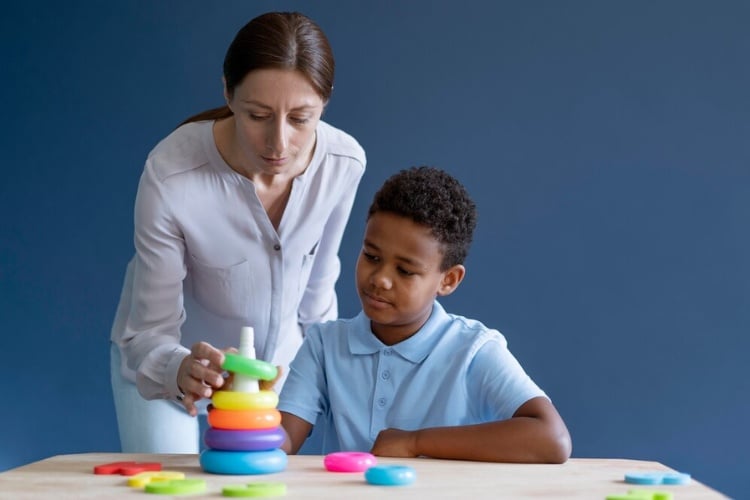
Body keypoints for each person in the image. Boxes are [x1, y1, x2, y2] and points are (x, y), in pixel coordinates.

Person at [110, 11, 366, 453]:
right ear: (228, 92)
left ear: (325, 103)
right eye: (258, 114)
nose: (278, 143)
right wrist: (182, 369)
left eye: (302, 118)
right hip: (174, 369)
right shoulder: (171, 175)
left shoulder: (343, 164)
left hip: (277, 376)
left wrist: (320, 382)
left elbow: (318, 299)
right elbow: (146, 334)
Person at [277, 166, 572, 462]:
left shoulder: (473, 351)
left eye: (405, 270)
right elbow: (283, 442)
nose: (380, 278)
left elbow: (552, 439)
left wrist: (415, 442)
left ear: (448, 280)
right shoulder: (325, 345)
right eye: (371, 256)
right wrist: (246, 402)